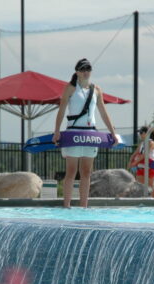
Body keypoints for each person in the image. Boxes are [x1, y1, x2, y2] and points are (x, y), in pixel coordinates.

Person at [53, 58, 118, 208]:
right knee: (71, 171)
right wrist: (56, 131)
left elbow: (103, 112)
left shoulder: (96, 89)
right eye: (83, 69)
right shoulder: (70, 88)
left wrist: (112, 133)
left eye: (88, 69)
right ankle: (67, 205)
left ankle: (84, 206)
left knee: (87, 172)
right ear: (77, 72)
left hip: (91, 134)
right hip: (73, 133)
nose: (86, 72)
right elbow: (61, 110)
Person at [128, 126, 154, 198]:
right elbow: (134, 154)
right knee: (140, 186)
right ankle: (143, 202)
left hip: (150, 167)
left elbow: (145, 155)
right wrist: (130, 161)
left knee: (150, 186)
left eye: (141, 133)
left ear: (146, 133)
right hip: (141, 166)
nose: (140, 134)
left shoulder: (151, 142)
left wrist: (134, 163)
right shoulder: (142, 143)